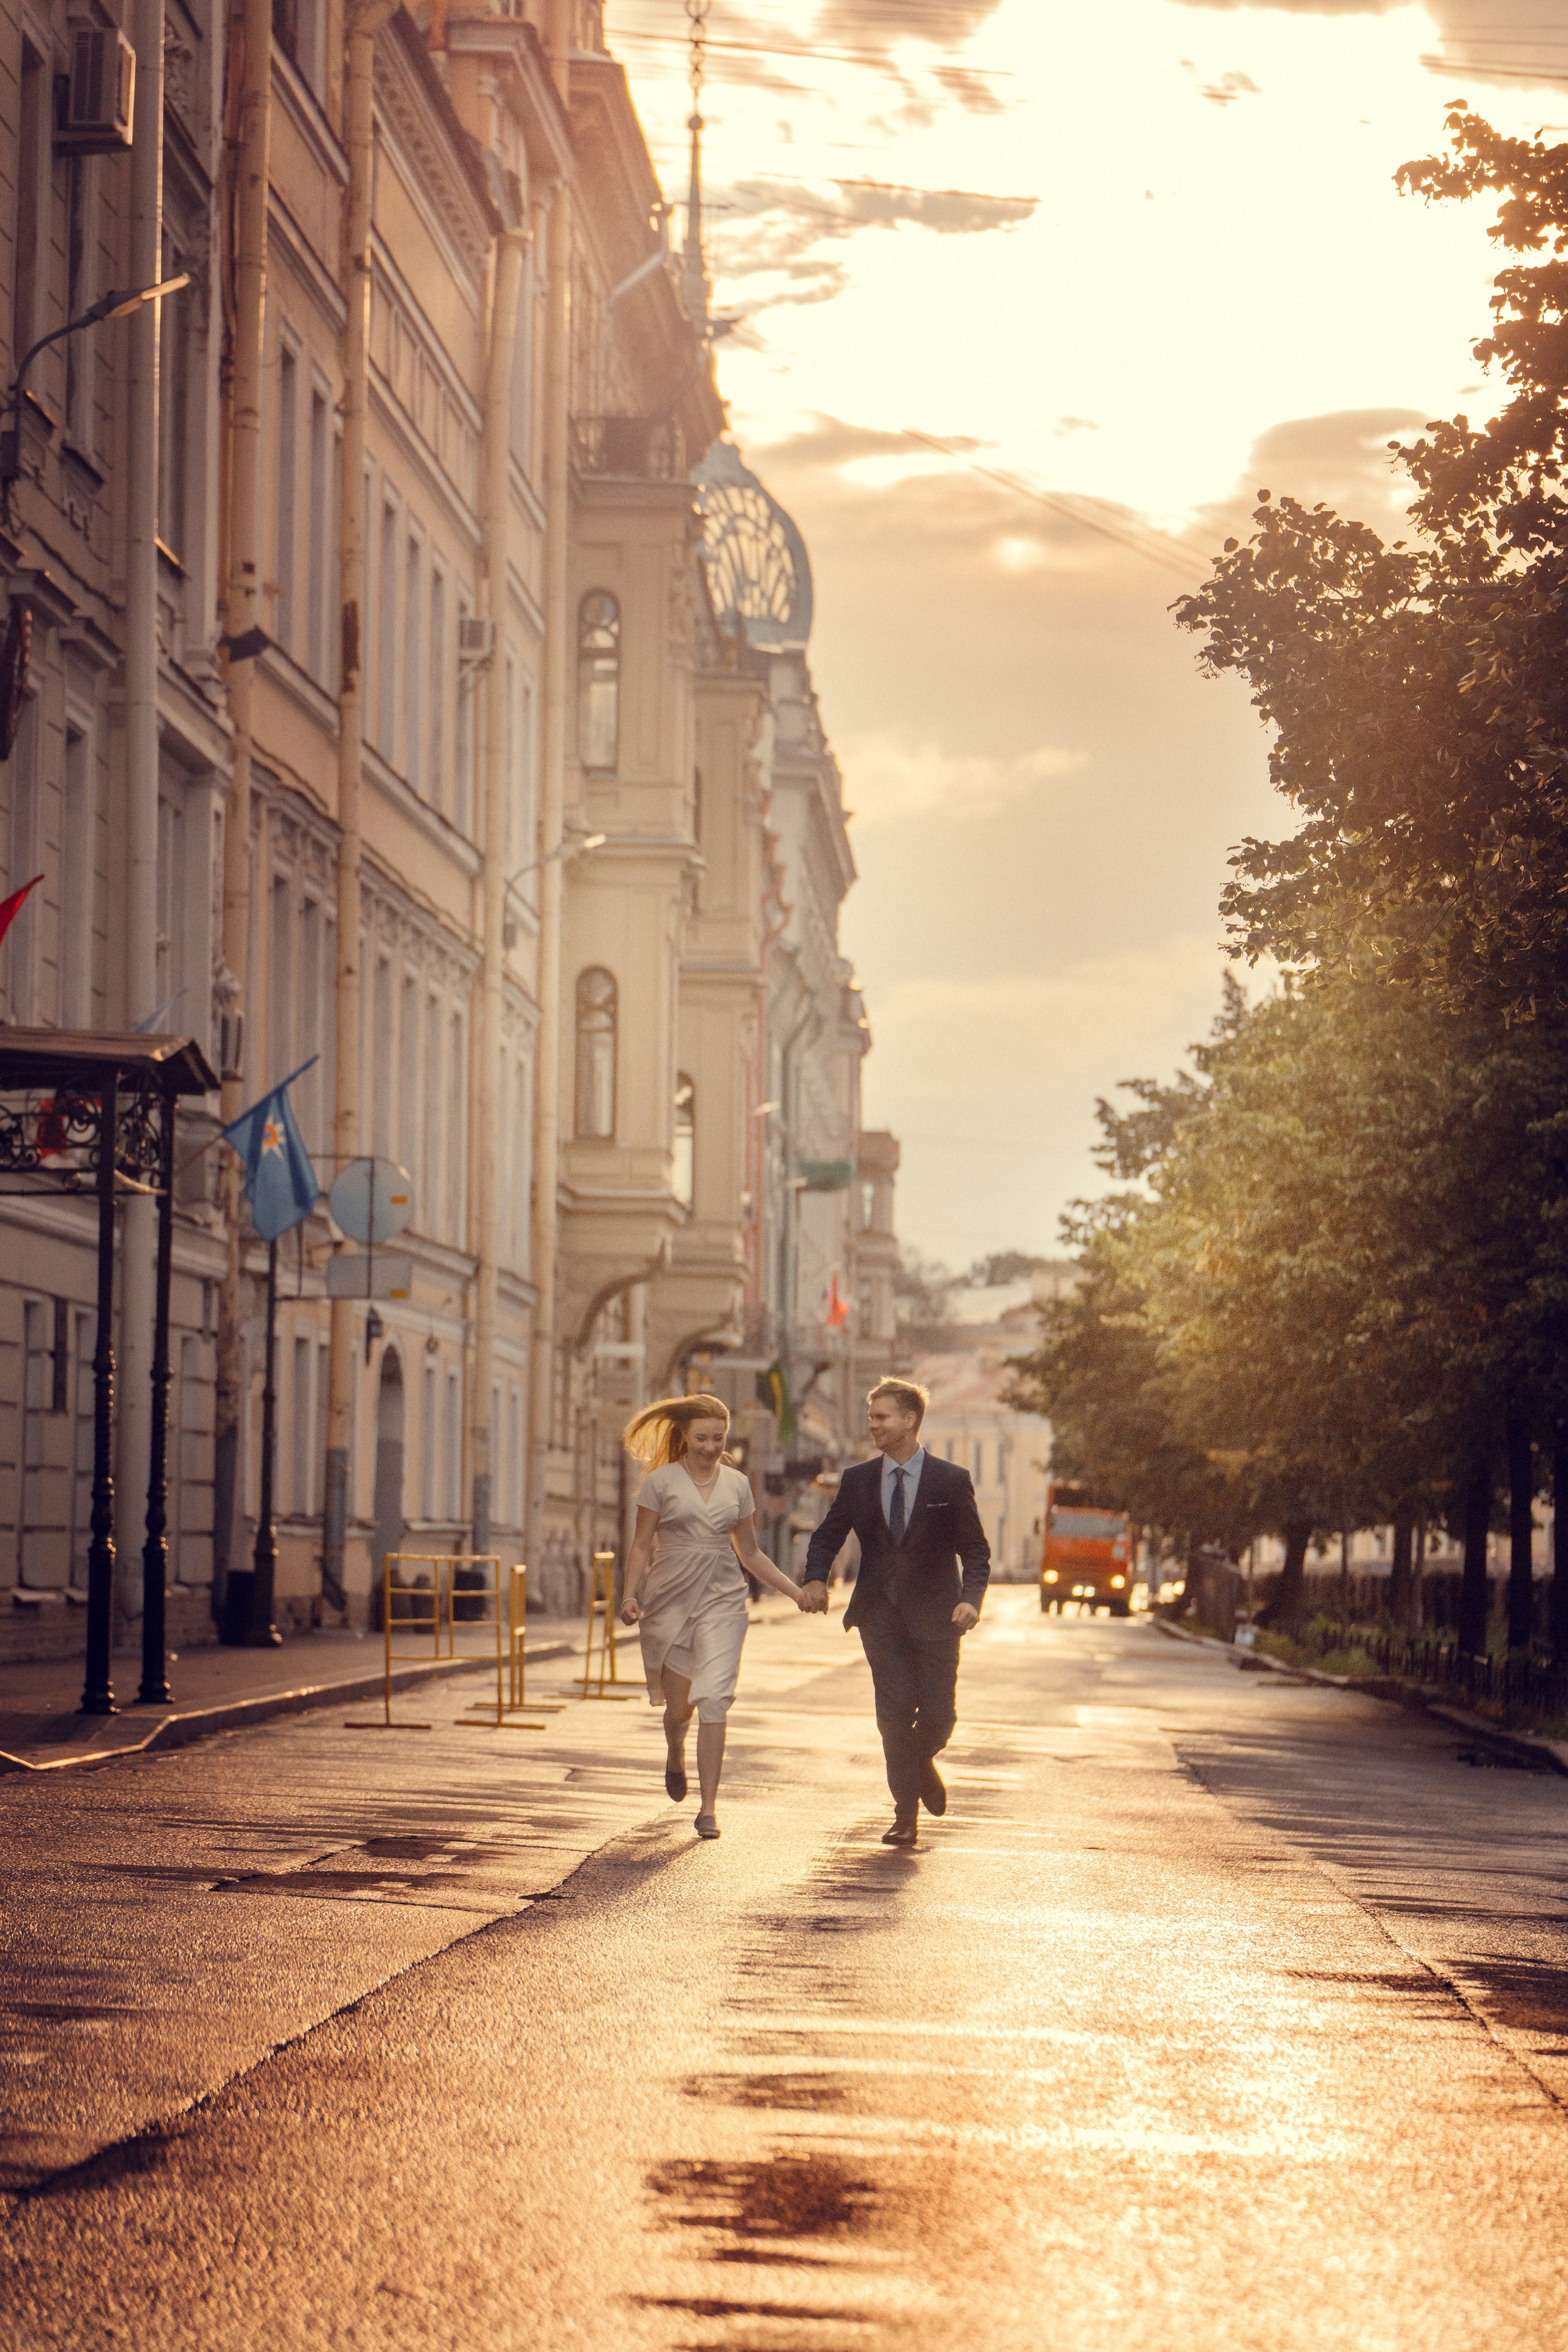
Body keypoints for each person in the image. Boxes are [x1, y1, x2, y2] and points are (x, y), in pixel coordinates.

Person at [802, 1378, 990, 1847]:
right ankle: (905, 1815)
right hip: (879, 1614)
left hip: (938, 1617)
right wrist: (815, 1578)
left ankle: (920, 1763)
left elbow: (976, 1551)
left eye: (882, 1417)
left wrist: (971, 1599)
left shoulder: (951, 1480)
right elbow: (828, 1535)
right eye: (871, 1417)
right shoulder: (858, 1480)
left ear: (910, 1420)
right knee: (893, 1712)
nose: (874, 1425)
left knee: (940, 1716)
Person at [619, 1392, 811, 1839]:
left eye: (718, 1438)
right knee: (679, 1709)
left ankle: (708, 1809)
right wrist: (630, 1595)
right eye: (702, 1437)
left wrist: (795, 1592)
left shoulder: (737, 1485)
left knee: (716, 1699)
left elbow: (750, 1552)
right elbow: (642, 1545)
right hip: (669, 1598)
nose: (710, 1446)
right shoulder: (660, 1483)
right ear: (684, 1435)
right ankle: (674, 1751)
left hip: (724, 1597)